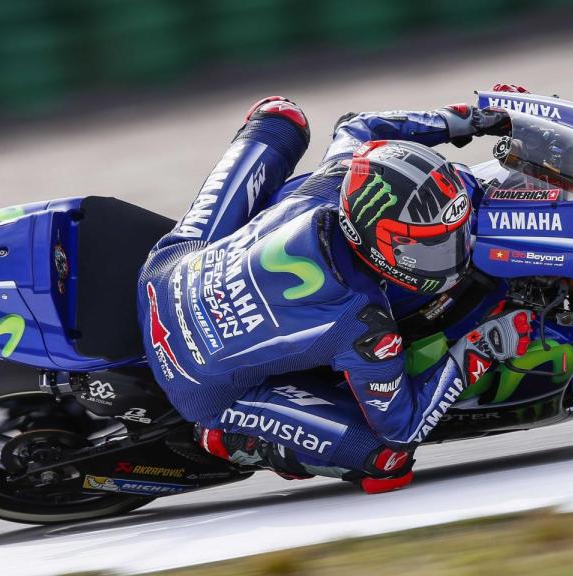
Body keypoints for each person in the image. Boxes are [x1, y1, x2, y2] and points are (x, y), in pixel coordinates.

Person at [139, 89, 533, 493]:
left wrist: (464, 119)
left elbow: (359, 125)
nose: (454, 253)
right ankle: (236, 441)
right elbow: (403, 427)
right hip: (198, 383)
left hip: (169, 269)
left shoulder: (336, 180)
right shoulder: (363, 319)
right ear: (377, 245)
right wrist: (481, 349)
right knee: (387, 460)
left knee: (280, 115)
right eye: (428, 246)